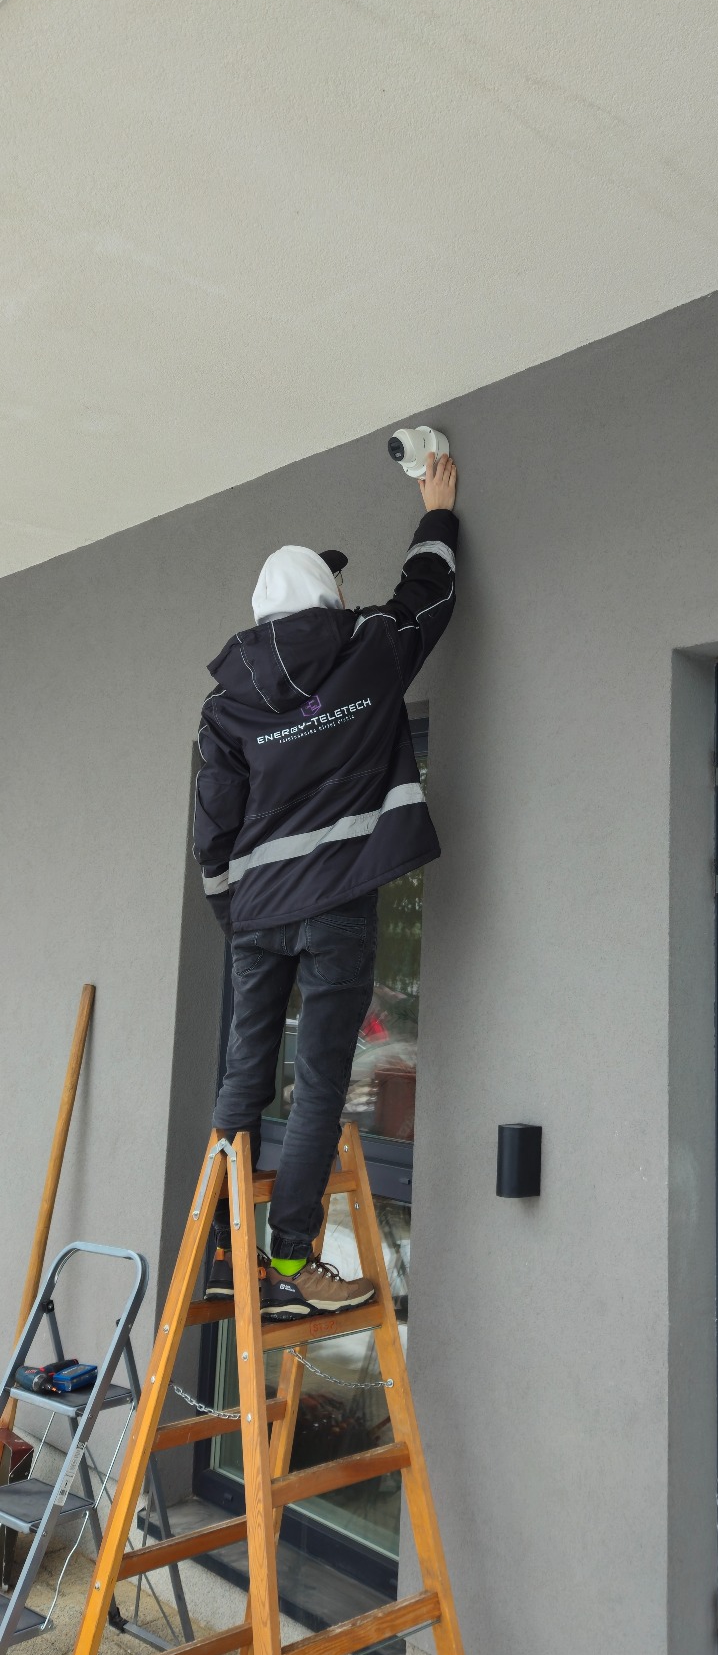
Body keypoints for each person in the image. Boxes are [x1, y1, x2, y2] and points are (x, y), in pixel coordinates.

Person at [192, 450, 459, 1319]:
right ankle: (292, 1259)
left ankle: (225, 1250)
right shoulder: (367, 649)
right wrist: (437, 509)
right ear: (326, 599)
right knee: (318, 1082)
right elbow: (430, 596)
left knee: (243, 1074)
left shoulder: (226, 702)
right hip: (335, 905)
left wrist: (230, 904)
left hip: (260, 912)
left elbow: (213, 822)